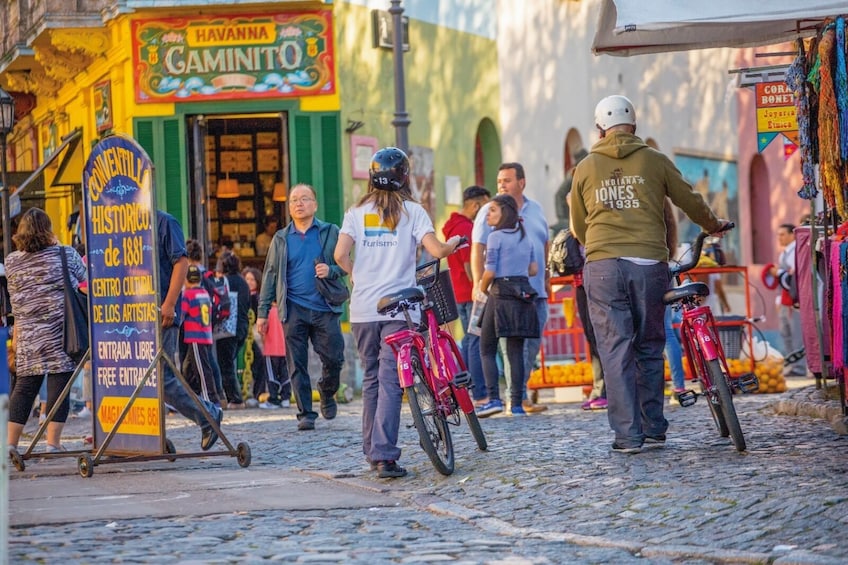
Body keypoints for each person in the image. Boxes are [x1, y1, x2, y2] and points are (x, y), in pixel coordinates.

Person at [570, 95, 727, 454]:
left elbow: (579, 225)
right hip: (649, 265)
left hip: (603, 266)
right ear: (634, 126)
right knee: (649, 345)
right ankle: (654, 427)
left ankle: (628, 436)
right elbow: (689, 200)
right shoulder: (655, 161)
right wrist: (713, 225)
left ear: (599, 129)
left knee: (614, 349)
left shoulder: (585, 167)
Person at [335, 147, 462, 479]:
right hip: (399, 308)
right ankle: (385, 456)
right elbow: (436, 250)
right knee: (392, 381)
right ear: (404, 177)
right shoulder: (413, 211)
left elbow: (339, 254)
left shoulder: (356, 212)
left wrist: (355, 274)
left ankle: (372, 451)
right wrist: (454, 243)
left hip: (363, 309)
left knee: (373, 379)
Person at [257, 183, 346, 431]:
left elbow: (349, 264)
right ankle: (305, 413)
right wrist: (263, 313)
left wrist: (333, 270)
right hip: (293, 308)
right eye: (294, 200)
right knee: (296, 363)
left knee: (334, 357)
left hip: (324, 307)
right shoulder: (281, 238)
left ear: (314, 205)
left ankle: (327, 392)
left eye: (304, 198)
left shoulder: (330, 232)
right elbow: (270, 275)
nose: (298, 203)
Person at [471, 162, 549, 414]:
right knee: (514, 348)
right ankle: (515, 401)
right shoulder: (521, 233)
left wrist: (482, 286)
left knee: (490, 345)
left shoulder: (500, 234)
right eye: (499, 180)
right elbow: (533, 268)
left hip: (507, 293)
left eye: (507, 180)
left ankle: (496, 398)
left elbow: (491, 269)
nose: (501, 184)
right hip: (525, 289)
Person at [6, 208, 86, 454]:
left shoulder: (11, 262)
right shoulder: (66, 254)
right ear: (48, 229)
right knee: (59, 386)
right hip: (60, 334)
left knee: (24, 388)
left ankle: (10, 445)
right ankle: (53, 443)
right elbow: (84, 280)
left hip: (28, 336)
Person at [155, 210, 223, 450]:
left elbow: (181, 262)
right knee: (133, 378)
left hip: (161, 311)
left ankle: (207, 415)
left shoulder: (164, 221)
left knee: (161, 378)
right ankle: (146, 438)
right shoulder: (122, 227)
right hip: (133, 318)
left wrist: (170, 304)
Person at [442, 185, 491, 406]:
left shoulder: (452, 226)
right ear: (475, 204)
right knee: (475, 340)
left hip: (458, 293)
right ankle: (480, 392)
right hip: (471, 293)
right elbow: (468, 263)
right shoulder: (465, 228)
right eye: (484, 206)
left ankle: (470, 386)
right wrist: (480, 287)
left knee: (470, 339)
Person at [185, 239, 225, 402]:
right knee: (201, 362)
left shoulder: (191, 283)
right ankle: (213, 394)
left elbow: (183, 310)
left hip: (193, 329)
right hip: (206, 327)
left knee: (201, 364)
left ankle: (210, 396)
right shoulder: (207, 278)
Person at [769, 223, 807, 377]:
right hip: (785, 299)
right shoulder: (784, 253)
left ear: (792, 235)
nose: (780, 238)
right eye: (778, 235)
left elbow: (794, 277)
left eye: (783, 234)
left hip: (794, 299)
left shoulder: (795, 252)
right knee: (786, 333)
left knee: (796, 332)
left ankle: (800, 367)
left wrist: (778, 272)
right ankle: (793, 365)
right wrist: (779, 299)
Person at [215, 250, 250, 408]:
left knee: (226, 364)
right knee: (230, 362)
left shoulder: (224, 281)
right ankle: (232, 397)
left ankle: (234, 399)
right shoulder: (243, 282)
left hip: (227, 326)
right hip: (242, 326)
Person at [181, 264, 219, 406]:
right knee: (189, 367)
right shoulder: (204, 293)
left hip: (195, 337)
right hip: (206, 335)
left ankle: (210, 399)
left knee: (202, 369)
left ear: (186, 279)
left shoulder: (188, 295)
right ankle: (188, 397)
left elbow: (182, 315)